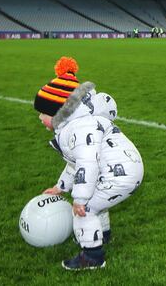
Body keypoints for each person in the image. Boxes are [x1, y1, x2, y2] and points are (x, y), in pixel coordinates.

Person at [34, 57, 144, 270]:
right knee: (96, 201)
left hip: (119, 175)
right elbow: (74, 164)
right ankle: (102, 235)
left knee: (85, 209)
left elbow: (87, 162)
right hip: (125, 170)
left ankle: (92, 256)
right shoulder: (78, 123)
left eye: (44, 112)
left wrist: (80, 199)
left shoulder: (79, 129)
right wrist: (59, 187)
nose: (40, 117)